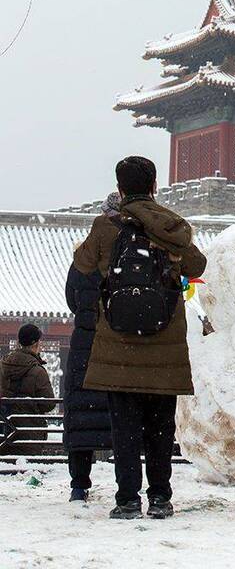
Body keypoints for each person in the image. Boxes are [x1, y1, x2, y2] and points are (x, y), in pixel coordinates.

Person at [73, 156, 207, 520]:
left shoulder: (106, 226)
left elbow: (82, 262)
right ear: (154, 186)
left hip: (119, 345)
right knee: (162, 429)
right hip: (165, 349)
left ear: (120, 188)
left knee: (126, 428)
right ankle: (161, 498)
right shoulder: (170, 226)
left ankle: (127, 499)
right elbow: (198, 267)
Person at [63, 194, 117, 503]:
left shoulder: (82, 258)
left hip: (85, 345)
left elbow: (72, 300)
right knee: (122, 416)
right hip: (119, 343)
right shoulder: (129, 250)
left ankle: (79, 484)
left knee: (81, 416)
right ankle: (129, 484)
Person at [0, 324, 56, 447]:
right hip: (29, 434)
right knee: (28, 465)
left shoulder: (3, 365)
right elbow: (49, 404)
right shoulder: (37, 371)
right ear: (35, 344)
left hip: (4, 431)